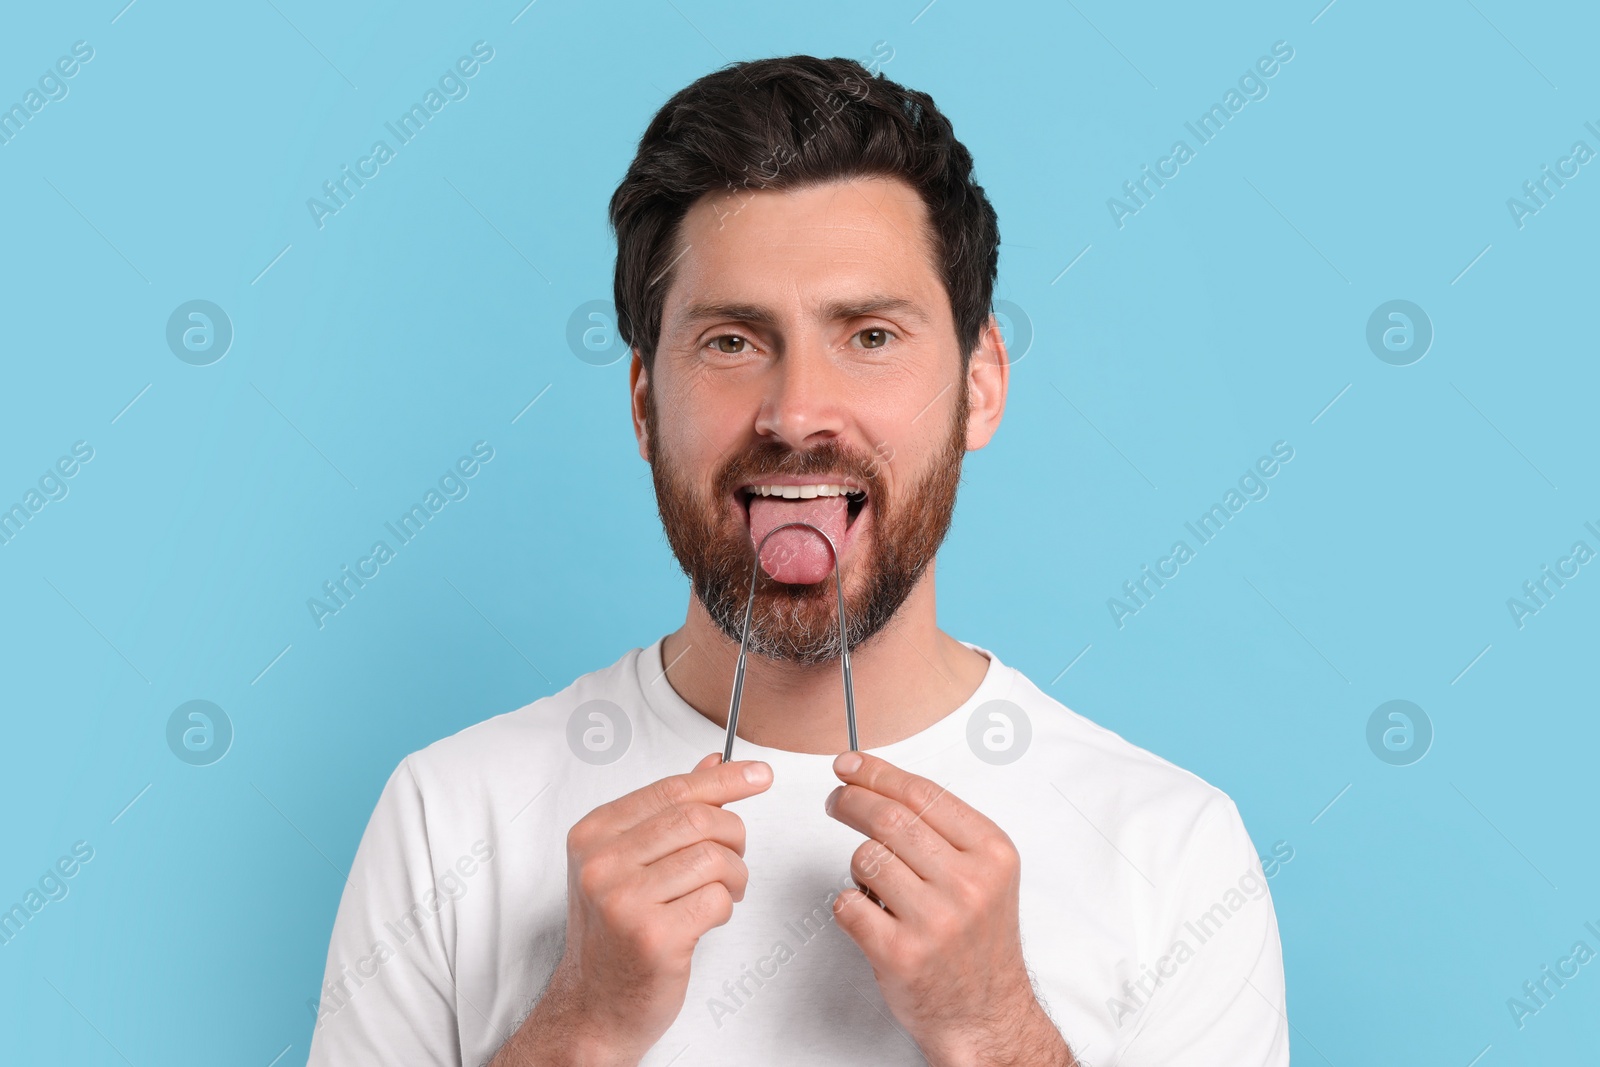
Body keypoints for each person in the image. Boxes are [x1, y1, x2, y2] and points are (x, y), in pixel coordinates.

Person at [306, 54, 1289, 1067]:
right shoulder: (448, 811)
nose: (796, 413)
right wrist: (578, 1029)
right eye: (733, 341)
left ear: (981, 384)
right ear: (645, 402)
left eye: (869, 334)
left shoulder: (1172, 847)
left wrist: (994, 1030)